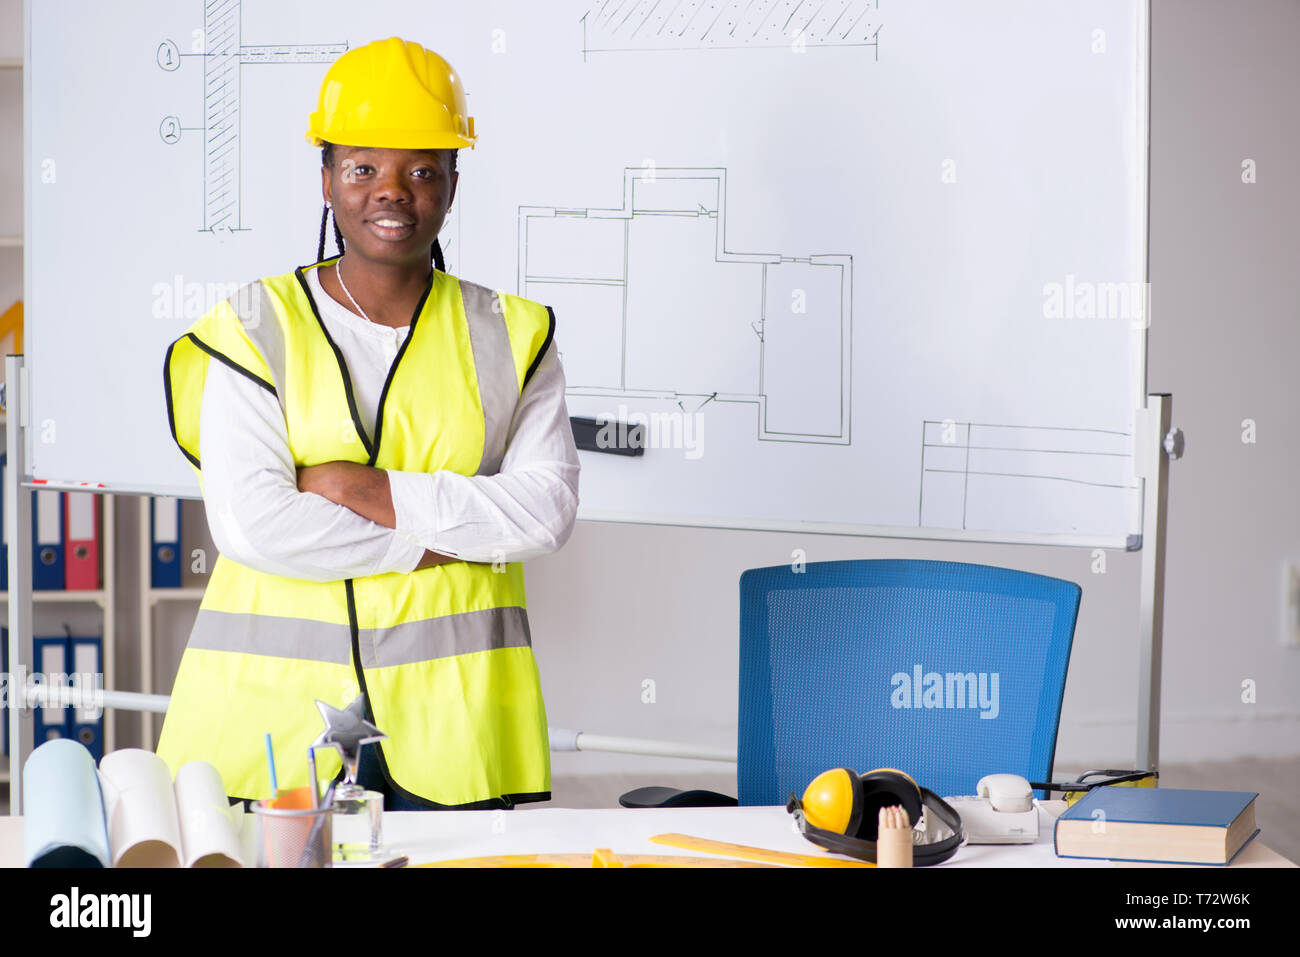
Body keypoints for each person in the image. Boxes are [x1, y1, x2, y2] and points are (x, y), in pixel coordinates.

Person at [156, 37, 580, 811]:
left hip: (456, 735)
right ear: (326, 181)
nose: (392, 192)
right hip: (270, 734)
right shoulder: (254, 326)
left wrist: (360, 486)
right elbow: (256, 526)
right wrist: (436, 543)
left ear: (453, 183)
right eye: (362, 169)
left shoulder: (513, 335)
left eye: (421, 170)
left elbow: (545, 512)